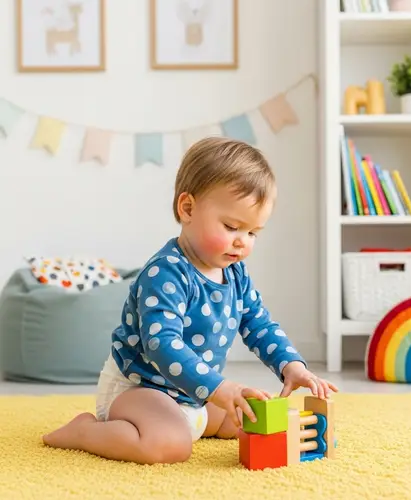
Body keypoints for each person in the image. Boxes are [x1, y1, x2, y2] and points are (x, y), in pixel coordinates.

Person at [42, 137, 338, 465]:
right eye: (232, 226)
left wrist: (290, 366)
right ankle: (85, 431)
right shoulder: (165, 273)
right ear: (188, 208)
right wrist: (218, 388)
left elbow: (258, 323)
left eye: (253, 233)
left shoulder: (235, 273)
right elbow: (161, 344)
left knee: (247, 416)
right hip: (140, 388)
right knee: (169, 446)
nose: (242, 242)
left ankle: (196, 417)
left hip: (193, 392)